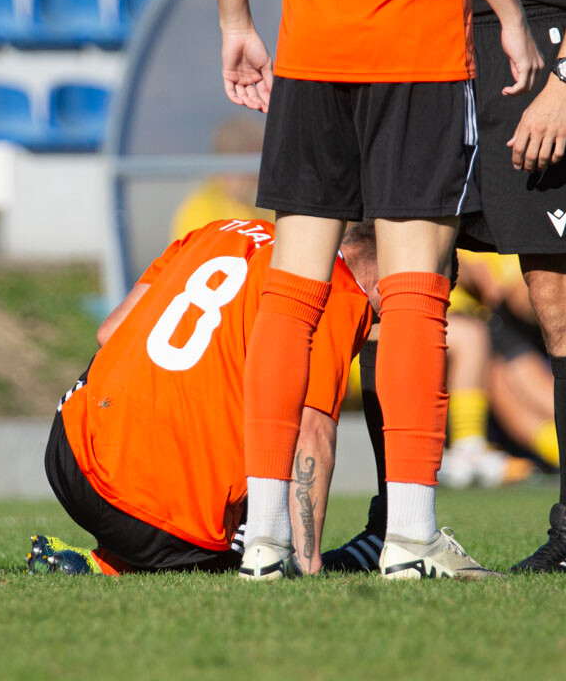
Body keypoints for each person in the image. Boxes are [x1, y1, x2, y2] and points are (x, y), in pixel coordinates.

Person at [209, 0, 542, 581]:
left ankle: (264, 540)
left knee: (290, 297)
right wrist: (510, 15)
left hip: (311, 53)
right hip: (414, 51)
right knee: (415, 293)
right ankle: (411, 539)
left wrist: (235, 20)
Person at [324, 0, 566, 574]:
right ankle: (394, 522)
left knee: (560, 299)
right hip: (431, 46)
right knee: (400, 293)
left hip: (540, 50)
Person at [32, 219, 375, 575]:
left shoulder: (220, 230)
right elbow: (312, 432)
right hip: (158, 523)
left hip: (69, 457)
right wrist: (308, 561)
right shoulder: (340, 291)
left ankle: (104, 561)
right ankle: (126, 559)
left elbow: (110, 331)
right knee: (274, 429)